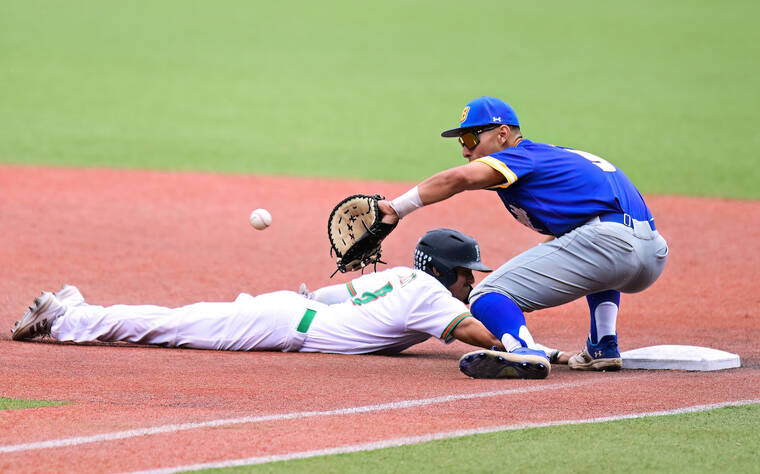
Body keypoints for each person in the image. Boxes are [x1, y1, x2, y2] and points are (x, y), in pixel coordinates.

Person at [11, 228, 561, 379]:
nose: (472, 280)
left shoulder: (400, 277)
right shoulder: (428, 296)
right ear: (445, 270)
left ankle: (74, 313)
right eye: (468, 271)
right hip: (280, 324)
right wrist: (524, 348)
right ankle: (67, 317)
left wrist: (543, 352)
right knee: (172, 327)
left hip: (287, 312)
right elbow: (472, 333)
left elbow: (323, 294)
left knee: (177, 323)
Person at [379, 96, 669, 373]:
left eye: (470, 139)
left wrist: (396, 208)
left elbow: (458, 179)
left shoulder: (522, 156)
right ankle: (603, 346)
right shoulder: (556, 156)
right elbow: (576, 236)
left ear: (502, 134)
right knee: (598, 262)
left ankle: (524, 351)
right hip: (651, 252)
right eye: (461, 142)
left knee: (486, 294)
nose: (465, 151)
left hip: (609, 243)